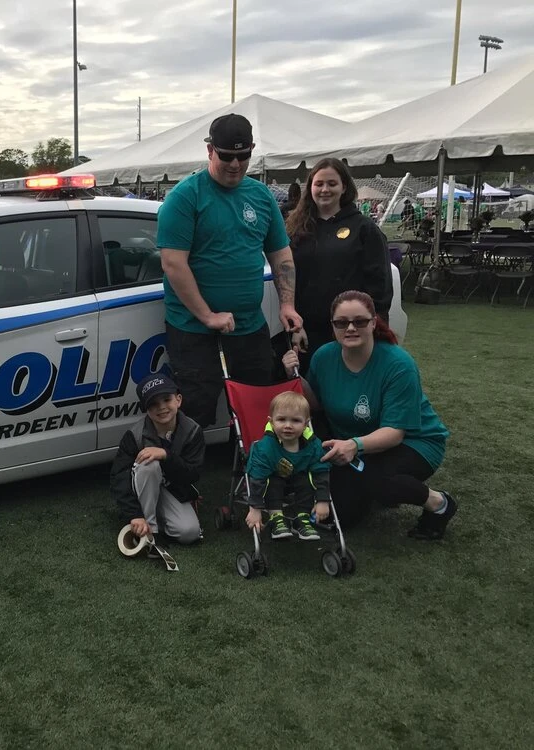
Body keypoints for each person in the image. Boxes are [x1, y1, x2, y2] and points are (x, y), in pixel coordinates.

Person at [158, 113, 301, 436]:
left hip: (248, 324)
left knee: (260, 399)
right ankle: (184, 480)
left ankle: (263, 470)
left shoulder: (262, 196)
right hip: (193, 326)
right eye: (226, 156)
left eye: (243, 156)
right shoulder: (185, 196)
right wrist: (208, 315)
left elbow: (281, 256)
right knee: (196, 405)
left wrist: (287, 305)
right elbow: (173, 264)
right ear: (210, 151)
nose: (235, 164)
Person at [282, 290, 456, 538]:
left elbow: (395, 433)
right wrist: (294, 376)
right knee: (341, 515)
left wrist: (353, 445)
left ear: (374, 322)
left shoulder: (398, 364)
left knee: (378, 481)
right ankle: (369, 489)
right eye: (341, 322)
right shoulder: (324, 356)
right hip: (355, 442)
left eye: (359, 321)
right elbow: (316, 406)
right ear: (333, 326)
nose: (350, 328)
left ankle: (439, 504)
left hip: (413, 442)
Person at [285, 158, 392, 373]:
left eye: (332, 184)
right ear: (310, 188)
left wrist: (373, 329)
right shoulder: (297, 228)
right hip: (307, 332)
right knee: (311, 395)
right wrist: (296, 327)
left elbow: (380, 284)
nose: (325, 189)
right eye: (319, 184)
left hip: (349, 330)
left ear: (344, 187)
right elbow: (289, 281)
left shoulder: (364, 228)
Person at [110, 374, 203, 547]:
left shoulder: (192, 430)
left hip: (171, 489)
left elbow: (193, 474)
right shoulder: (134, 435)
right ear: (146, 408)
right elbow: (119, 478)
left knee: (189, 533)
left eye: (166, 399)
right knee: (148, 462)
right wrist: (134, 514)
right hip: (141, 487)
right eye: (153, 404)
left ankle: (155, 515)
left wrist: (166, 455)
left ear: (178, 400)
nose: (161, 408)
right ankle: (150, 531)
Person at [244, 391, 331, 541]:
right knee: (272, 482)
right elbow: (258, 478)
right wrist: (255, 508)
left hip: (299, 478)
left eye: (296, 421)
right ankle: (276, 517)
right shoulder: (265, 448)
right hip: (274, 479)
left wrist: (323, 500)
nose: (288, 426)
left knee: (307, 480)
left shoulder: (313, 446)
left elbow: (321, 472)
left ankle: (302, 518)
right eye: (281, 420)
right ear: (271, 422)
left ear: (306, 423)